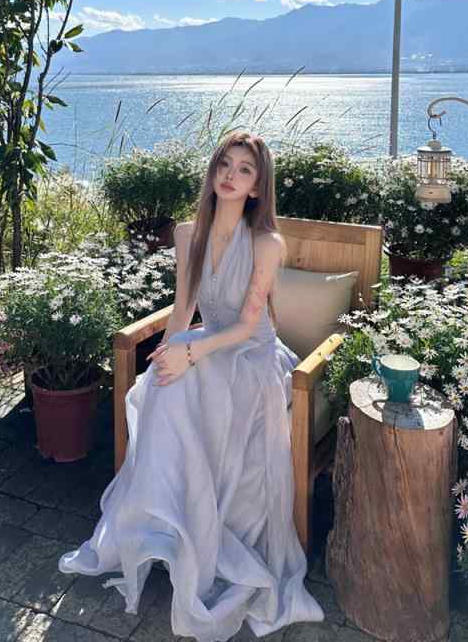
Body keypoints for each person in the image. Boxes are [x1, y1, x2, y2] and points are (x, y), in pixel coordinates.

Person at [58, 130, 324, 641]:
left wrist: (191, 353)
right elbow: (183, 309)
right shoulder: (188, 234)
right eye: (225, 164)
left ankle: (196, 531)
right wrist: (169, 352)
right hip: (205, 343)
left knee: (185, 386)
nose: (230, 175)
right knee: (163, 385)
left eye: (244, 169)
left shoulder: (267, 243)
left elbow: (246, 327)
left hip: (251, 356)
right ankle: (168, 525)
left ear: (257, 187)